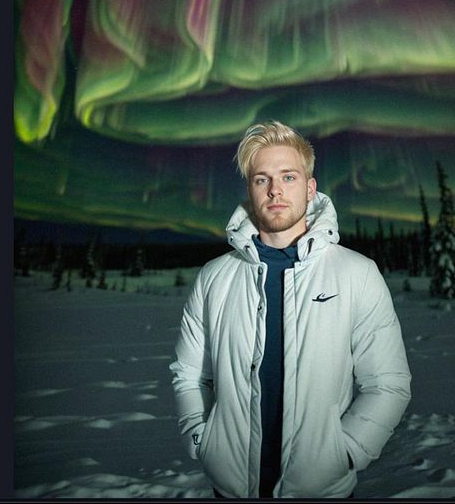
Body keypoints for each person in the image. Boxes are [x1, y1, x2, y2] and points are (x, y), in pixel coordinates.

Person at [169, 121, 411, 499]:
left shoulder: (356, 273)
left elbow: (388, 383)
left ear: (310, 187)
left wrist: (346, 453)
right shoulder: (215, 277)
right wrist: (201, 439)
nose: (275, 190)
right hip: (230, 489)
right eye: (262, 179)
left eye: (288, 176)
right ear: (250, 190)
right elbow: (189, 375)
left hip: (322, 490)